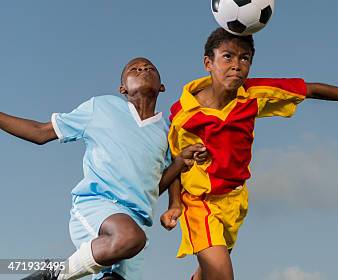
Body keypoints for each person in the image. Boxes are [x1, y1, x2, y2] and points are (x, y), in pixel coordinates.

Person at [161, 28, 338, 280]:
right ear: (208, 63)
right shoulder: (184, 113)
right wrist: (175, 204)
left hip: (235, 200)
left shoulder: (254, 94)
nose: (236, 65)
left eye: (244, 58)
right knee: (223, 274)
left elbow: (310, 90)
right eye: (227, 57)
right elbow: (177, 161)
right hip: (200, 202)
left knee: (209, 272)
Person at [0, 57, 205, 280]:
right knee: (128, 237)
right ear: (122, 88)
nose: (143, 70)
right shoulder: (101, 107)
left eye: (149, 68)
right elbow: (40, 132)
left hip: (137, 224)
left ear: (162, 86)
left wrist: (175, 196)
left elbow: (156, 185)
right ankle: (52, 275)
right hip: (97, 207)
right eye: (134, 69)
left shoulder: (166, 132)